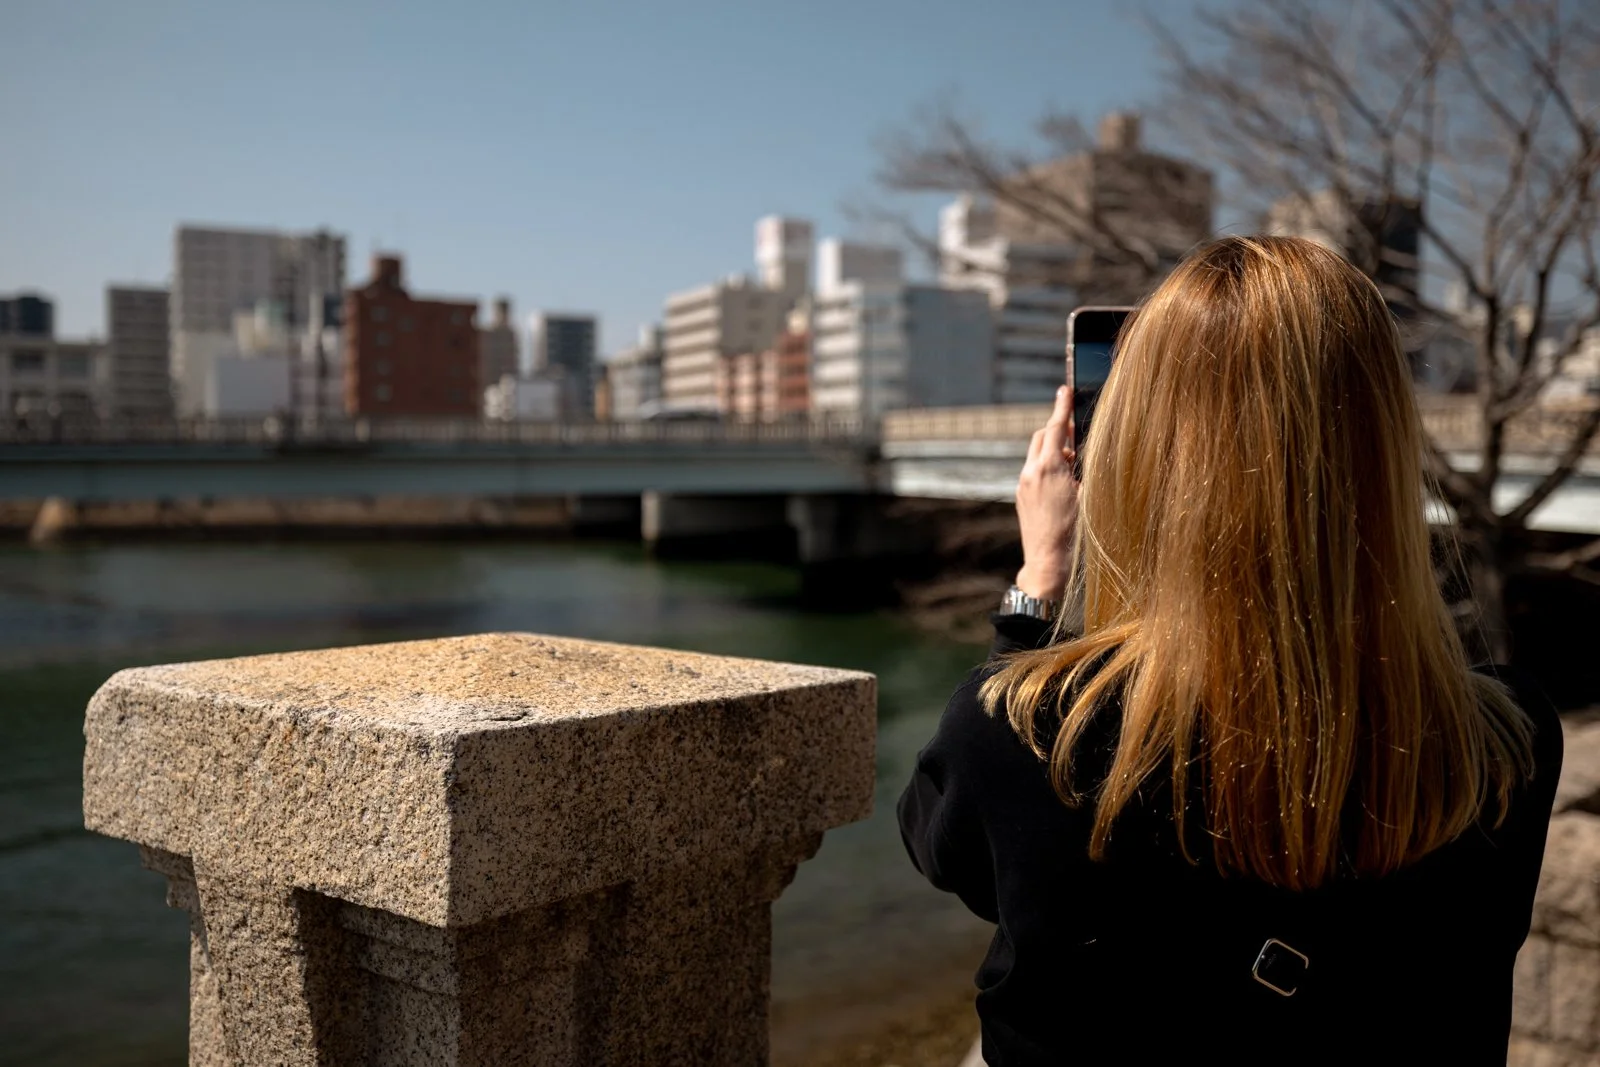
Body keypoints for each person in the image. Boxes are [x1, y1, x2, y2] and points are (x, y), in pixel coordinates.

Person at [898, 236, 1562, 1065]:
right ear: (1387, 447)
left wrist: (1037, 590)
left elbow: (947, 849)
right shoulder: (1506, 745)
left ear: (1138, 447)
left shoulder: (1026, 734)